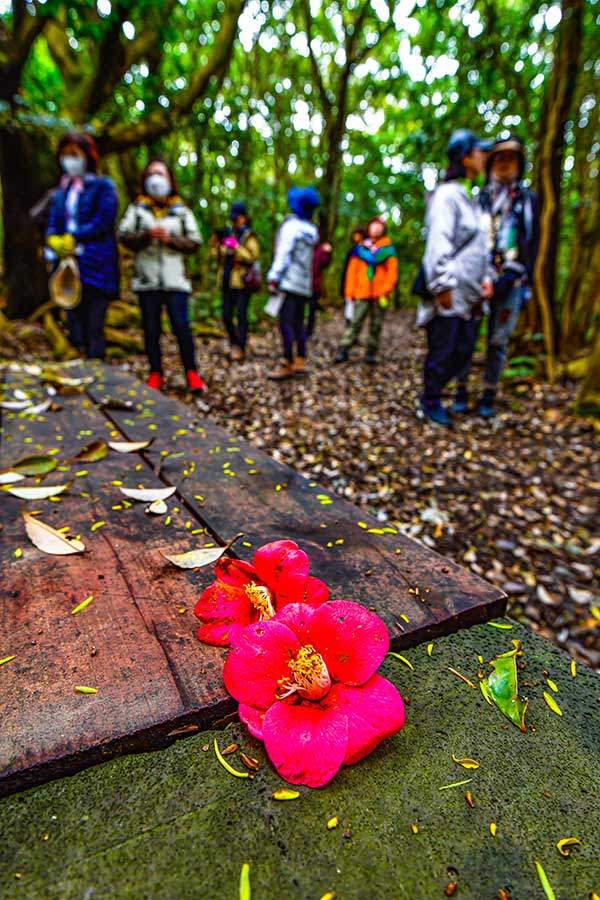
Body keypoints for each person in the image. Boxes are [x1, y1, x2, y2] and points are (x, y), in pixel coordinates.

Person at [452, 134, 540, 418]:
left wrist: (523, 281)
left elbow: (533, 242)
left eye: (510, 158)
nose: (504, 163)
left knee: (498, 341)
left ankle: (489, 392)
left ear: (519, 163)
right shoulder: (479, 199)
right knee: (467, 333)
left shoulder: (527, 201)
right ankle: (461, 389)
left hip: (512, 280)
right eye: (499, 157)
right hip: (477, 279)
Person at [416, 129, 494, 427]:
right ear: (465, 157)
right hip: (450, 292)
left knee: (463, 352)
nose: (484, 158)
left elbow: (480, 246)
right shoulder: (447, 196)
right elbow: (439, 242)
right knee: (443, 348)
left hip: (470, 294)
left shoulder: (468, 199)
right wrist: (442, 284)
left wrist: (486, 277)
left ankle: (434, 395)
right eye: (480, 152)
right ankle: (430, 400)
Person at [118, 159, 206, 393]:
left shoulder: (181, 210)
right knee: (151, 328)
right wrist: (146, 235)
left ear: (170, 180)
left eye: (161, 174)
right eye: (151, 174)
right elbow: (124, 237)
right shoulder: (137, 208)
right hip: (147, 281)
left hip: (175, 280)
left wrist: (171, 240)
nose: (156, 179)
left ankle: (192, 372)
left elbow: (195, 242)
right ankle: (155, 373)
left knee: (181, 325)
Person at [46, 132, 119, 360]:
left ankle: (99, 376)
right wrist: (53, 240)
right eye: (65, 155)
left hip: (97, 266)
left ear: (87, 156)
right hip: (67, 269)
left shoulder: (103, 187)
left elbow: (104, 221)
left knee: (94, 325)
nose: (69, 160)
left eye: (74, 154)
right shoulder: (61, 193)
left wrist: (75, 236)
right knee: (74, 326)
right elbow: (52, 224)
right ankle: (80, 376)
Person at [266, 186, 321, 380]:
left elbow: (283, 254)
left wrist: (273, 276)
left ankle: (287, 361)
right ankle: (300, 359)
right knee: (299, 323)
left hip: (289, 283)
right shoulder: (312, 230)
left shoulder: (291, 228)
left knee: (286, 323)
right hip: (304, 286)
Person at [333, 217, 398, 366]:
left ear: (383, 229)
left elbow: (392, 272)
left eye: (379, 226)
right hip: (362, 291)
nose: (376, 229)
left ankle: (371, 352)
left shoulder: (388, 249)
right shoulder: (360, 249)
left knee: (376, 324)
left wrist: (386, 289)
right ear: (368, 228)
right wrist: (349, 292)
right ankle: (344, 349)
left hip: (381, 293)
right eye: (373, 225)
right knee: (355, 321)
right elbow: (352, 272)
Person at [218, 201, 260, 361]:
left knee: (241, 314)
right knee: (226, 314)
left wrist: (236, 247)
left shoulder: (249, 236)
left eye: (238, 218)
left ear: (244, 218)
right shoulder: (229, 233)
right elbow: (220, 254)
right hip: (227, 279)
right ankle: (234, 342)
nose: (235, 221)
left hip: (243, 282)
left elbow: (252, 257)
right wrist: (221, 246)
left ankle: (240, 347)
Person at [306, 237, 333, 338]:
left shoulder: (321, 250)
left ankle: (309, 330)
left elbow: (324, 263)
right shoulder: (307, 248)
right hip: (302, 282)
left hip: (314, 284)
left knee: (311, 308)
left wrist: (327, 252)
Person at [340, 227, 366, 324]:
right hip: (350, 285)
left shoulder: (367, 251)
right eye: (355, 234)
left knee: (357, 311)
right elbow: (346, 270)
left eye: (358, 234)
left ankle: (353, 331)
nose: (356, 237)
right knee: (349, 309)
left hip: (361, 286)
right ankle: (349, 328)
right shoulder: (352, 251)